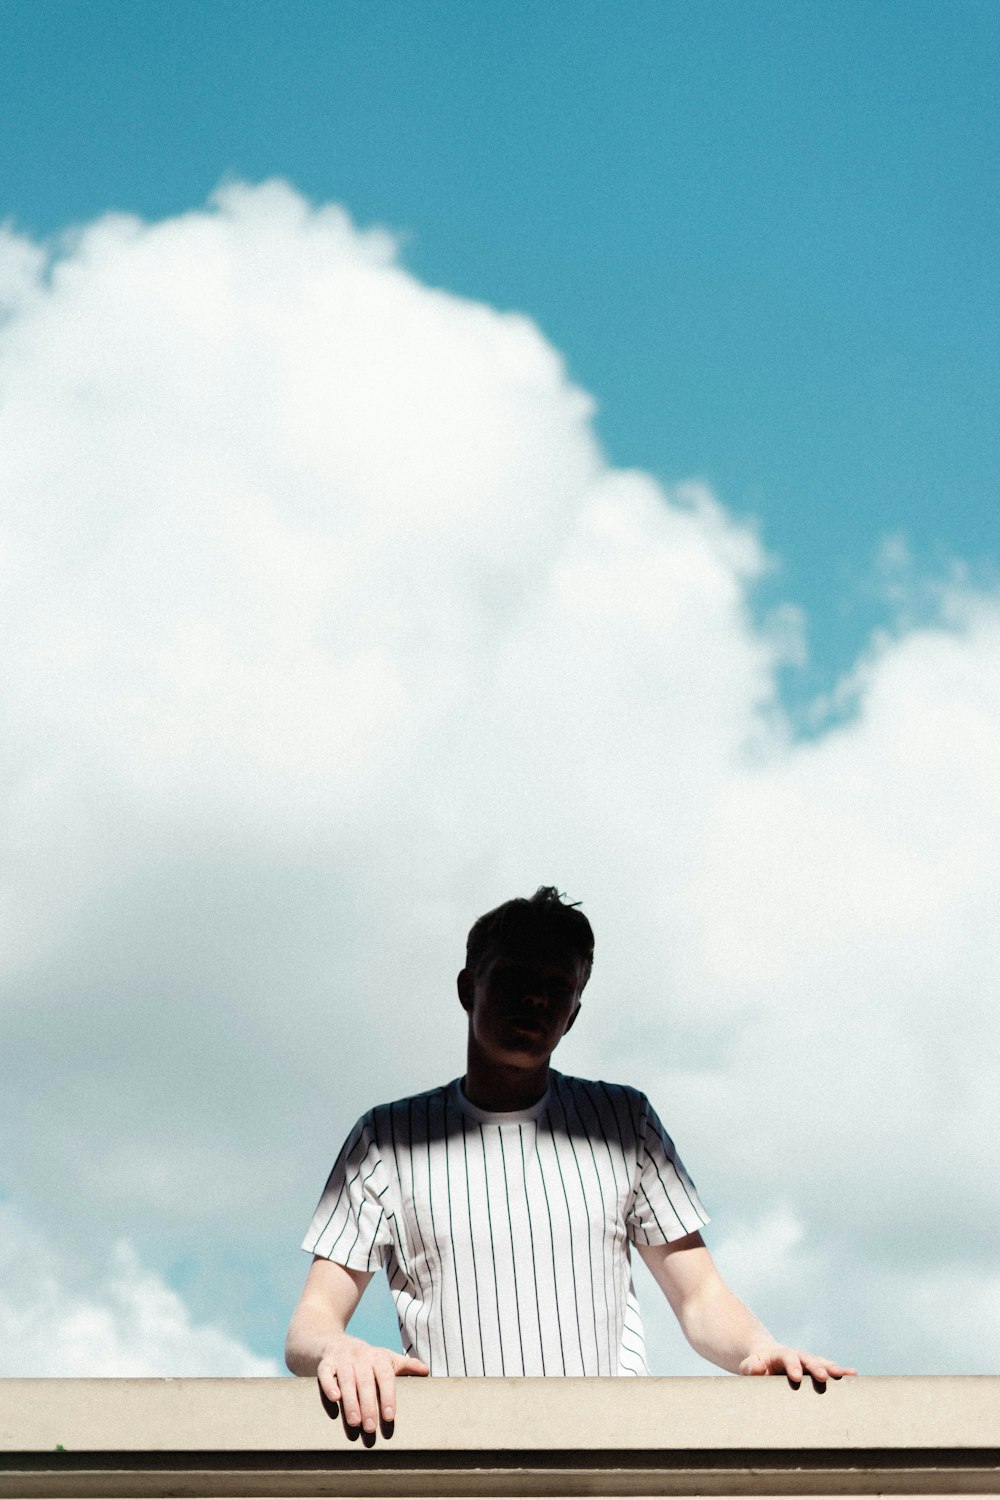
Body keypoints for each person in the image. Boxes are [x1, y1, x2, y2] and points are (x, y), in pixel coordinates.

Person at [285, 887, 854, 1430]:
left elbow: (700, 1294)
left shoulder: (624, 1120)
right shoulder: (386, 1138)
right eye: (515, 977)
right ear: (468, 987)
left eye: (557, 986)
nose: (536, 998)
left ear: (574, 1012)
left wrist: (761, 1348)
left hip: (608, 1462)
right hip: (462, 1465)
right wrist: (341, 1348)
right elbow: (311, 1320)